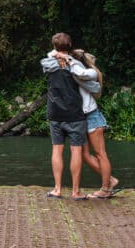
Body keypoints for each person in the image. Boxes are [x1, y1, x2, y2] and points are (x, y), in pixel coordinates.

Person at [41, 32, 90, 200]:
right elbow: (86, 77)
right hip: (75, 112)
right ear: (70, 47)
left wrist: (56, 53)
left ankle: (57, 189)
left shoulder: (48, 63)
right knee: (76, 151)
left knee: (57, 149)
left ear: (55, 47)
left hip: (55, 112)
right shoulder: (76, 64)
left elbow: (49, 57)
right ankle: (76, 192)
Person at [67, 49, 119, 199]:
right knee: (84, 155)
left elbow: (82, 74)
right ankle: (110, 180)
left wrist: (69, 60)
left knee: (100, 153)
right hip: (80, 118)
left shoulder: (86, 73)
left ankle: (105, 189)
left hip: (91, 116)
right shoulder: (76, 73)